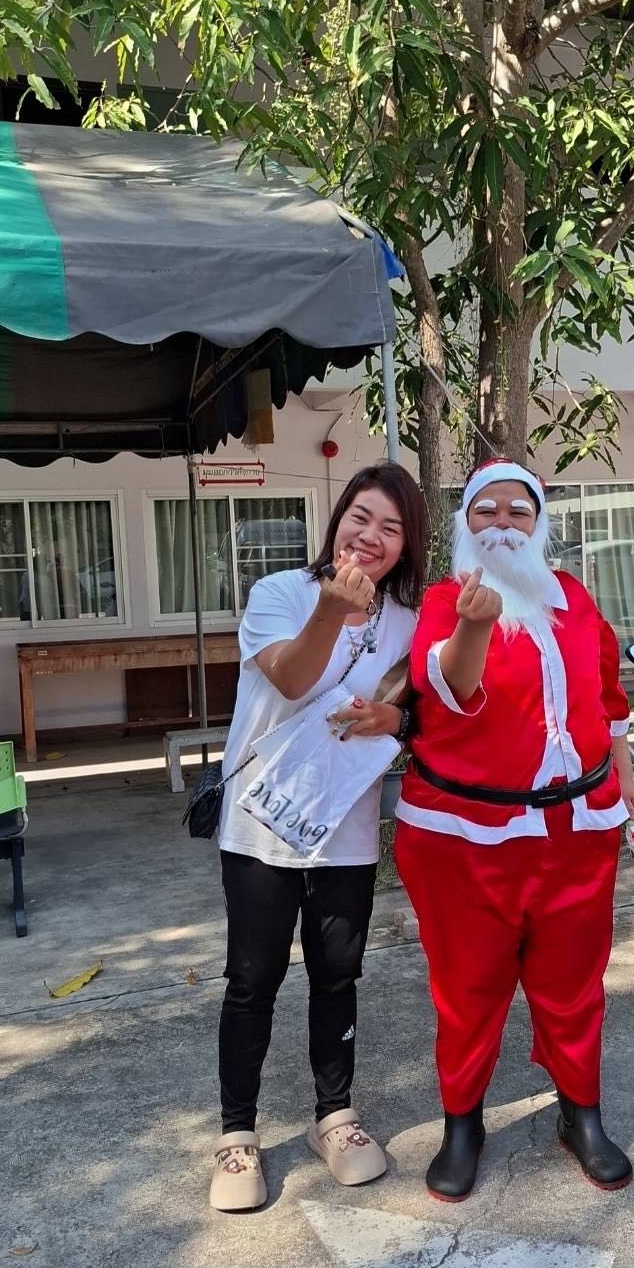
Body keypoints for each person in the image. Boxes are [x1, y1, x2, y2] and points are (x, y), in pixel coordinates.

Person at [394, 460, 634, 1202]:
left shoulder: (571, 597)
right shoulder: (447, 601)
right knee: (467, 988)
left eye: (518, 511)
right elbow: (450, 689)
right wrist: (476, 624)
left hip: (576, 831)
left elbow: (608, 693)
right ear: (464, 523)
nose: (502, 523)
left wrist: (625, 775)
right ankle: (461, 1123)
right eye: (486, 510)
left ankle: (580, 1113)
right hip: (463, 840)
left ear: (538, 525)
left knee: (574, 984)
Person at [210, 464, 426, 1211]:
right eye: (360, 517)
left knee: (337, 973)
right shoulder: (279, 594)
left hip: (345, 828)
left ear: (406, 545)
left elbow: (415, 707)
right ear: (337, 520)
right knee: (252, 979)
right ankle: (237, 1134)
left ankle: (333, 1117)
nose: (371, 536)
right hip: (261, 825)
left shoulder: (408, 620)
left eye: (391, 527)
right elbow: (292, 679)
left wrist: (394, 720)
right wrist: (332, 611)